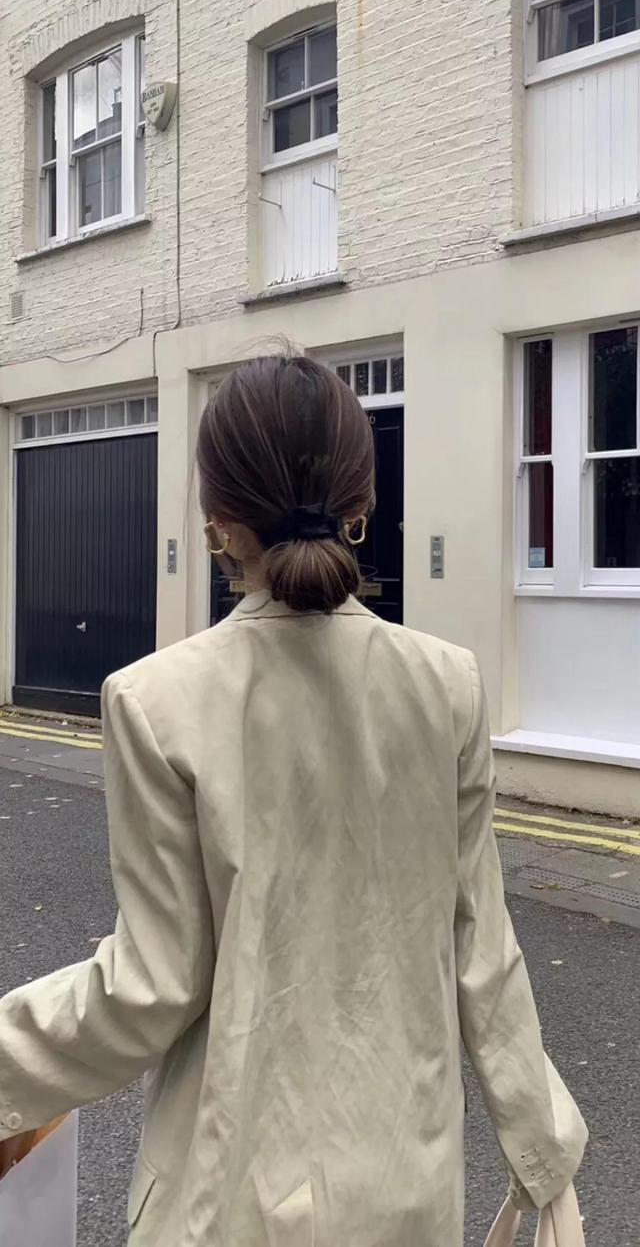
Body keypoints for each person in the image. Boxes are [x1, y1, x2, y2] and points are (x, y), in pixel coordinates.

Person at [0, 353, 586, 1246]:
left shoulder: (156, 701)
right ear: (361, 505)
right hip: (408, 1191)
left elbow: (151, 989)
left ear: (217, 521)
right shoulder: (448, 685)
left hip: (227, 1197)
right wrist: (542, 1149)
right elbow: (483, 947)